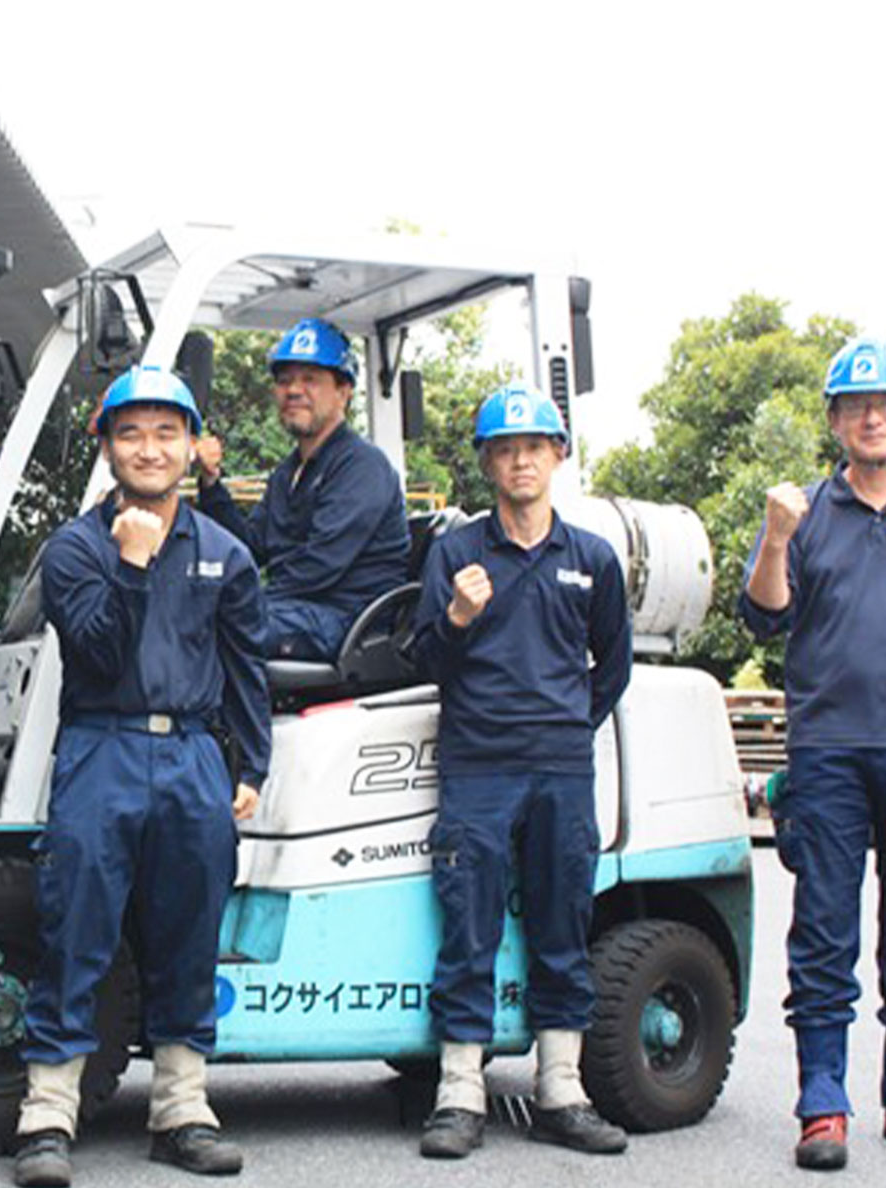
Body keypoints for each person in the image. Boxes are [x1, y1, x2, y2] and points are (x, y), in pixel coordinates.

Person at [13, 367, 270, 1187]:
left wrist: (250, 764)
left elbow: (245, 668)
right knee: (76, 926)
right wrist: (131, 563)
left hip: (193, 757)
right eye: (131, 433)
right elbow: (95, 652)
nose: (149, 449)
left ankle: (181, 1109)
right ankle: (47, 1113)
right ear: (107, 447)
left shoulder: (226, 552)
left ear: (193, 447)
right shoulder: (74, 548)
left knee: (189, 932)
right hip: (103, 747)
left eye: (167, 433)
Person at [740, 337, 886, 1171]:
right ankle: (823, 1101)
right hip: (828, 749)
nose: (873, 417)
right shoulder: (801, 512)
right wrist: (775, 539)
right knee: (823, 926)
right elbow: (764, 617)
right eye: (855, 406)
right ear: (835, 422)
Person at [409, 381, 631, 1160]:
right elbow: (425, 658)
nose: (520, 462)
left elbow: (613, 666)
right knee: (467, 921)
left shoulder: (592, 558)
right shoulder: (457, 553)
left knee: (562, 919)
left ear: (558, 456)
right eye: (504, 450)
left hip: (561, 767)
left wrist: (567, 726)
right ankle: (459, 1093)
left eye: (533, 447)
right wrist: (458, 617)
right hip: (477, 763)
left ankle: (562, 1090)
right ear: (487, 464)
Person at [193, 317, 408, 661]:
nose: (293, 390)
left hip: (345, 621)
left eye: (310, 379)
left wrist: (241, 598)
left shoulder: (362, 466)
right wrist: (210, 482)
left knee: (215, 622)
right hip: (296, 611)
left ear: (343, 392)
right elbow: (248, 547)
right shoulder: (288, 473)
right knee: (187, 606)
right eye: (285, 380)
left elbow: (320, 565)